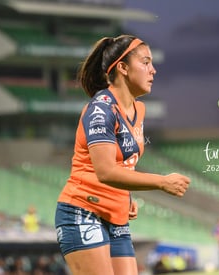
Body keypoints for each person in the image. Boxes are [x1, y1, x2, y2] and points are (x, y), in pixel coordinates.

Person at [54, 34, 191, 275]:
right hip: (83, 211)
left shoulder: (139, 109)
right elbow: (106, 171)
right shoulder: (100, 109)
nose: (153, 70)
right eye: (146, 62)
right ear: (123, 68)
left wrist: (125, 197)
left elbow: (124, 160)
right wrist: (161, 181)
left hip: (116, 215)